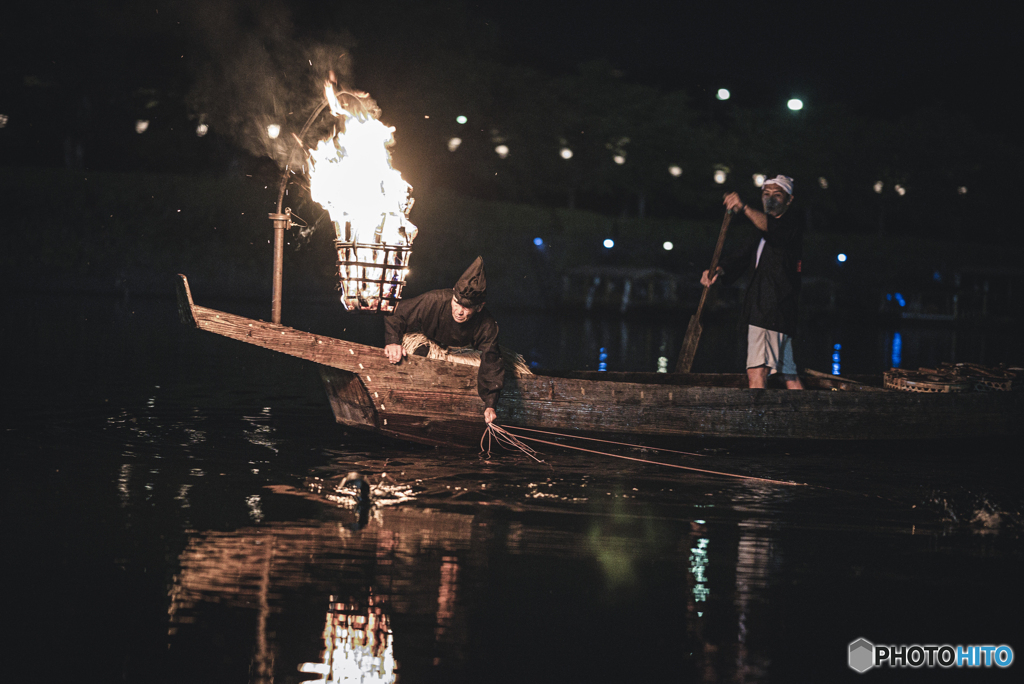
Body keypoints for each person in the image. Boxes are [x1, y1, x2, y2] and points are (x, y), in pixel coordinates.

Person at [702, 175, 804, 389]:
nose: (771, 199)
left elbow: (772, 230)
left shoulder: (789, 225)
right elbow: (741, 257)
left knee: (756, 373)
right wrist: (718, 271)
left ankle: (757, 422)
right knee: (789, 375)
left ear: (789, 199)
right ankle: (809, 419)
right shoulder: (760, 231)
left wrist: (743, 207)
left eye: (777, 195)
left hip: (770, 308)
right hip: (769, 310)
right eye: (766, 194)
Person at [384, 256, 504, 422]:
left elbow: (491, 361)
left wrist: (490, 404)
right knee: (417, 354)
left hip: (465, 353)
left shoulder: (487, 324)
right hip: (429, 343)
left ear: (479, 307)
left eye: (466, 307)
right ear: (453, 293)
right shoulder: (435, 300)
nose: (459, 311)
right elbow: (397, 314)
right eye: (456, 303)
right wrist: (392, 342)